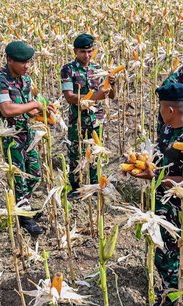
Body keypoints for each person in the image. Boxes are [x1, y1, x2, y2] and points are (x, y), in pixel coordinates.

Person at [134, 83, 183, 306]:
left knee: (169, 252)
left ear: (171, 110)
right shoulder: (167, 129)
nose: (160, 112)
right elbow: (160, 157)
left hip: (179, 206)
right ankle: (166, 289)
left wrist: (155, 175)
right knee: (160, 250)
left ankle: (171, 299)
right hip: (161, 200)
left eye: (162, 107)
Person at [0, 40, 47, 235]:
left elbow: (28, 108)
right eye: (23, 63)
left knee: (35, 174)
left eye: (29, 62)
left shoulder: (26, 80)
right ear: (9, 60)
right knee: (18, 177)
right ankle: (24, 217)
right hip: (10, 136)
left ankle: (24, 206)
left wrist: (44, 114)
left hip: (27, 134)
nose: (27, 66)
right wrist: (34, 105)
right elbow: (7, 109)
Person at [60, 33, 116, 195]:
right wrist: (95, 96)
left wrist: (113, 84)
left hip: (96, 119)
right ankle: (76, 188)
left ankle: (95, 186)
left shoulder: (97, 69)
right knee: (75, 154)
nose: (87, 55)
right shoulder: (68, 70)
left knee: (96, 154)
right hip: (77, 119)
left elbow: (111, 95)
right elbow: (69, 96)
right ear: (75, 51)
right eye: (83, 52)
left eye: (90, 51)